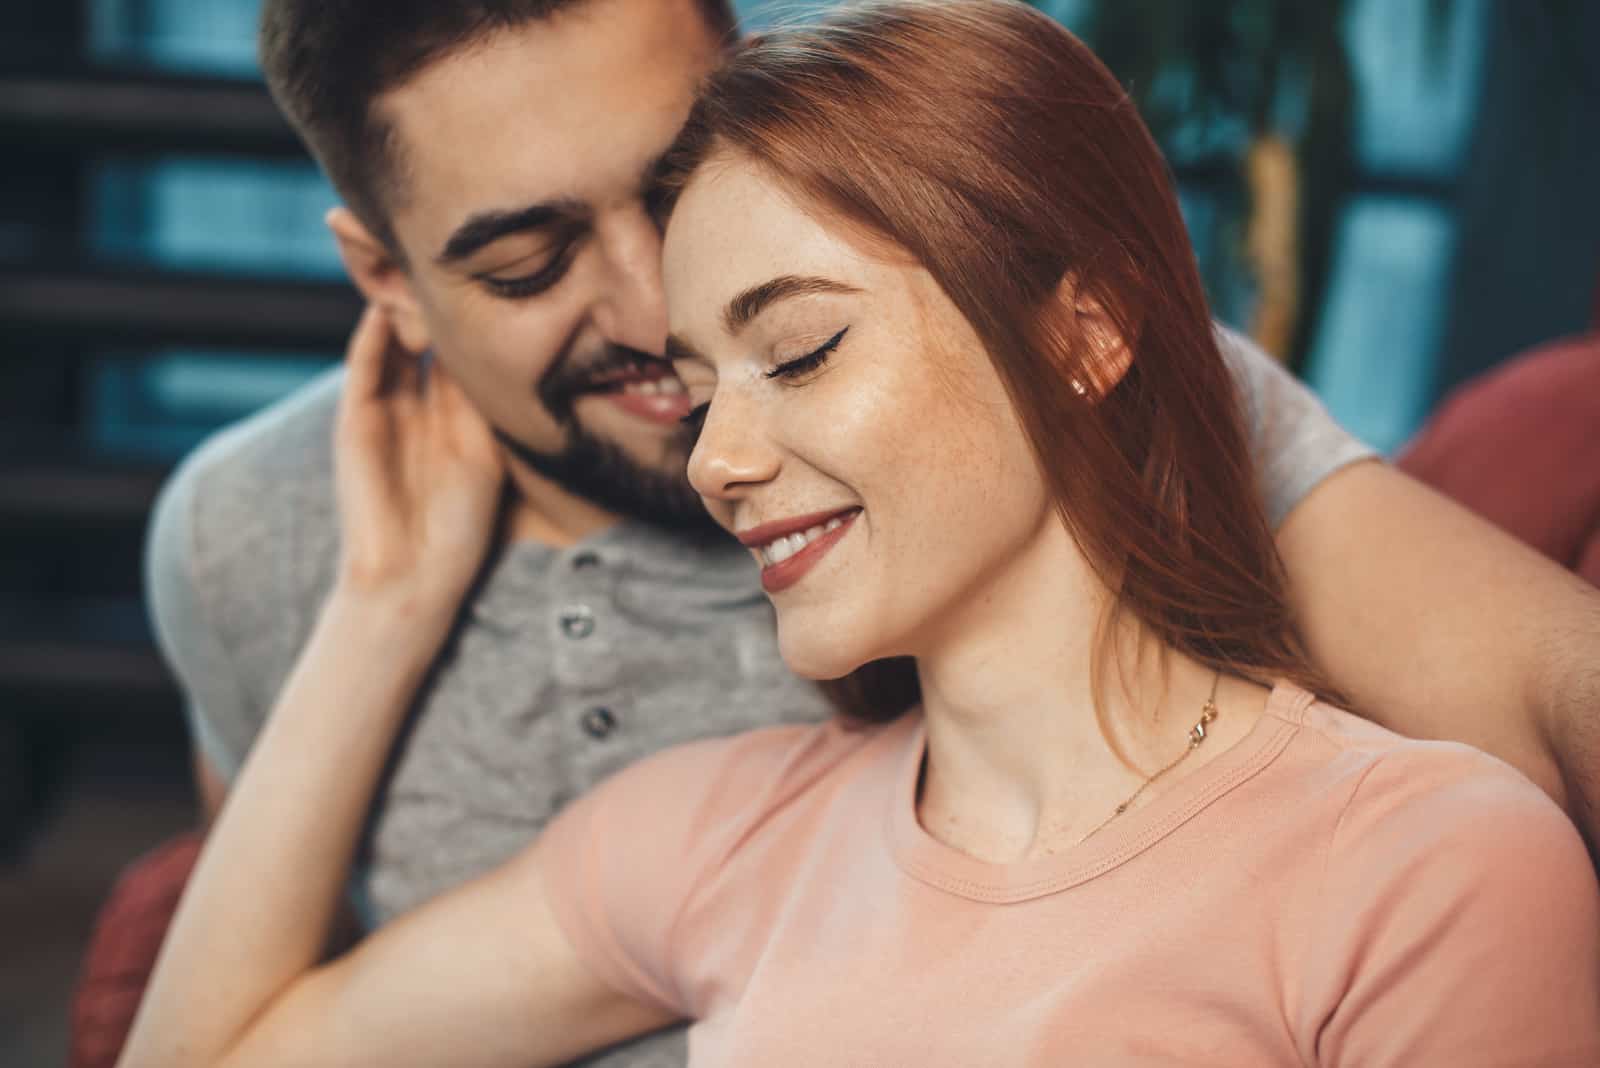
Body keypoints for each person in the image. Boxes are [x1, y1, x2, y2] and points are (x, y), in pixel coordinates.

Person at [119, 3, 1600, 1065]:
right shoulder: (724, 833)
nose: (707, 436)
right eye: (529, 259)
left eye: (801, 350)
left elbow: (1546, 692)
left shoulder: (1414, 859)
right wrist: (381, 610)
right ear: (384, 278)